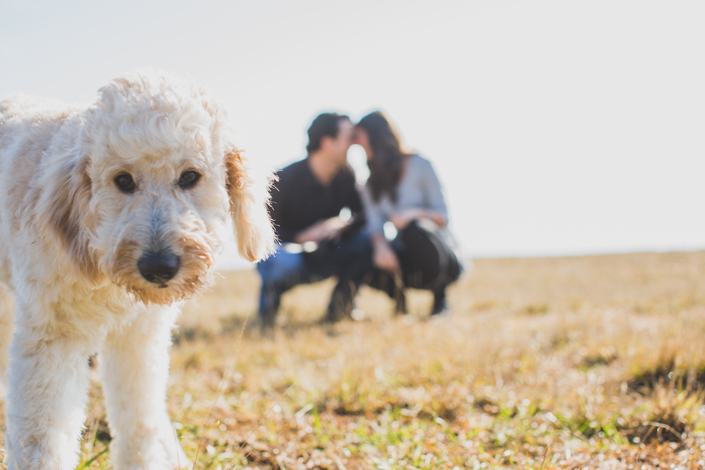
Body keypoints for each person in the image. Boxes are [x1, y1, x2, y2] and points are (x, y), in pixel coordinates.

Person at [256, 112, 371, 331]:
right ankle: (268, 314)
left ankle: (340, 306)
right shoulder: (284, 179)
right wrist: (301, 237)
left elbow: (363, 215)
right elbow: (260, 231)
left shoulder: (346, 176)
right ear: (328, 143)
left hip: (327, 253)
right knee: (278, 260)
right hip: (292, 256)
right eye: (349, 138)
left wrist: (341, 224)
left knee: (367, 241)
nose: (354, 144)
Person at [355, 111, 462, 317]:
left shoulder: (420, 165)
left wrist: (413, 214)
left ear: (375, 138)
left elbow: (443, 217)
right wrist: (381, 246)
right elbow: (375, 225)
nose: (358, 147)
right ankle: (400, 304)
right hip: (406, 255)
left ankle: (440, 301)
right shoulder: (369, 185)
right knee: (364, 249)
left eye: (360, 140)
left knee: (414, 230)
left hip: (443, 257)